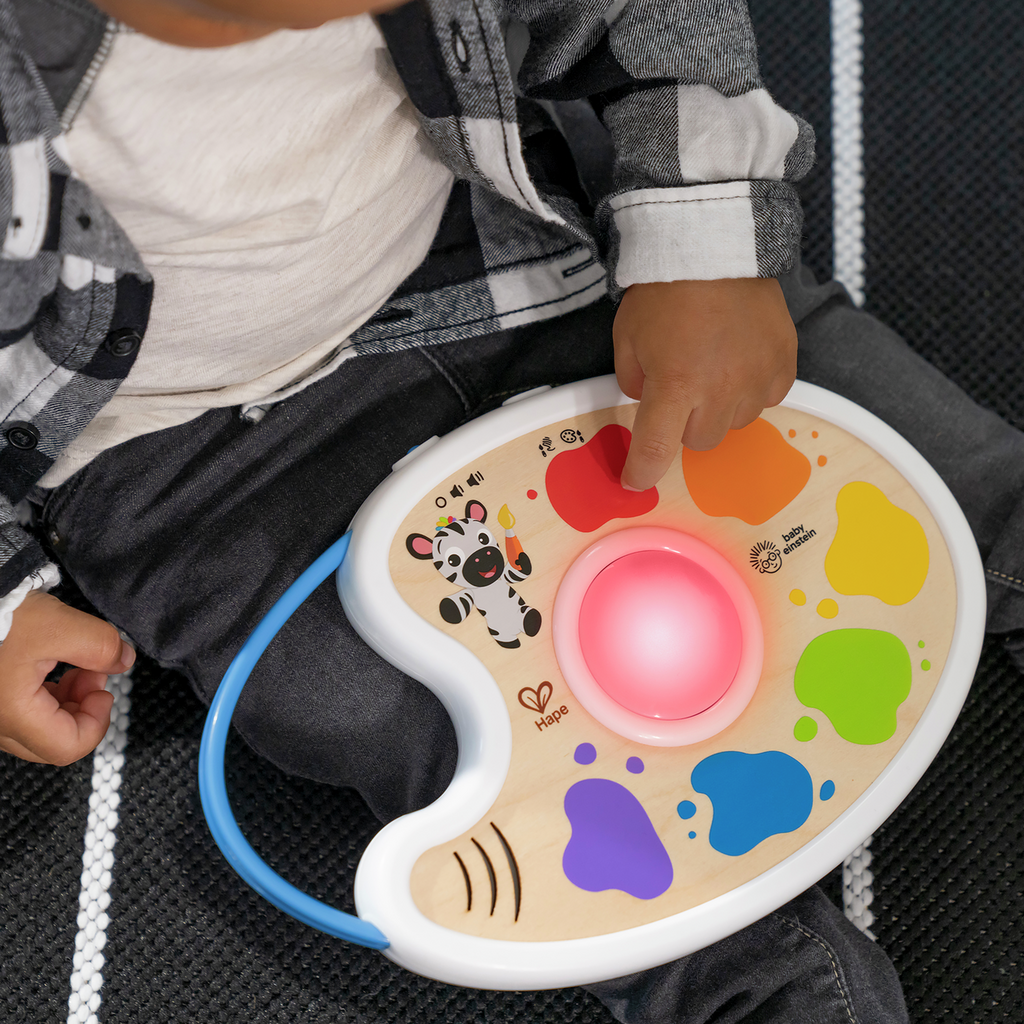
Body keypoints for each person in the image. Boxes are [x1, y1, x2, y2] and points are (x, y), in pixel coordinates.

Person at [4, 0, 1024, 1020]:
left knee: (855, 422)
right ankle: (753, 982)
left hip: (530, 254)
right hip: (202, 459)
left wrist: (705, 246)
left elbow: (647, 19)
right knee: (363, 699)